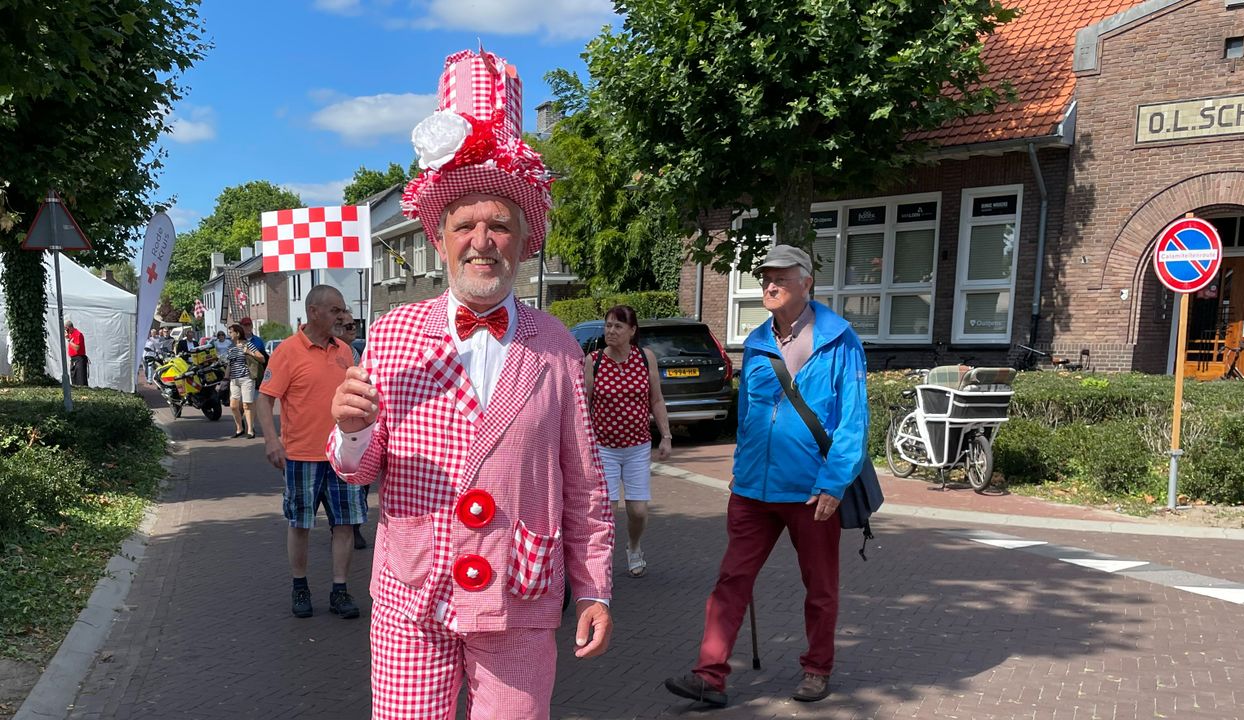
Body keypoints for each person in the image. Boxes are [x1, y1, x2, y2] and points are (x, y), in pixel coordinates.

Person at [327, 47, 613, 720]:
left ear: (523, 240)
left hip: (519, 592)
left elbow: (584, 482)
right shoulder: (394, 333)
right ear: (441, 238)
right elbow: (358, 470)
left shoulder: (556, 345)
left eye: (499, 225)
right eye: (465, 225)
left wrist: (595, 587)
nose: (482, 239)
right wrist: (350, 431)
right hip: (412, 595)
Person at [664, 244, 868, 707]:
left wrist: (834, 483)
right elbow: (749, 416)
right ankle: (709, 676)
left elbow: (853, 422)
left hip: (812, 493)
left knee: (820, 588)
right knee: (731, 580)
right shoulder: (756, 342)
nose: (770, 286)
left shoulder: (840, 340)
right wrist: (740, 470)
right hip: (753, 491)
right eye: (765, 278)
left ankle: (817, 668)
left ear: (806, 283)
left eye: (780, 277)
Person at [256, 284, 364, 621]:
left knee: (345, 524)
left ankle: (339, 590)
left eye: (343, 310)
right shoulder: (287, 351)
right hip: (302, 455)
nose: (342, 316)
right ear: (313, 312)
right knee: (300, 523)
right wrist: (271, 440)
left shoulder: (345, 351)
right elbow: (264, 399)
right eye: (335, 310)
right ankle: (300, 586)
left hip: (343, 456)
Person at [583, 304, 671, 578]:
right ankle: (603, 563)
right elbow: (584, 405)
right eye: (608, 325)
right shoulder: (594, 361)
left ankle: (634, 547)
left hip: (637, 446)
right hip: (603, 448)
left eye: (618, 326)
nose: (611, 331)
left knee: (639, 510)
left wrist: (666, 436)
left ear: (632, 331)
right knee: (607, 510)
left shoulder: (645, 358)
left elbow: (656, 399)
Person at [335, 308, 368, 550]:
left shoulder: (357, 353)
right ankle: (341, 527)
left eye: (354, 324)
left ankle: (354, 526)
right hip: (334, 424)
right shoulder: (331, 353)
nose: (352, 329)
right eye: (347, 326)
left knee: (361, 479)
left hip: (357, 425)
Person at [226, 324, 262, 439]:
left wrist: (249, 352)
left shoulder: (248, 344)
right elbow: (229, 364)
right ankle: (239, 428)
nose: (229, 335)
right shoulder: (230, 347)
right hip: (234, 380)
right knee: (233, 406)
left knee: (247, 404)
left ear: (237, 333)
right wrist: (225, 378)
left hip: (247, 378)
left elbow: (262, 358)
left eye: (231, 332)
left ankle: (250, 430)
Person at [65, 320, 88, 386]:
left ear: (70, 327)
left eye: (66, 329)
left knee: (80, 380)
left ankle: (83, 391)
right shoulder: (70, 334)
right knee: (74, 379)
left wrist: (69, 340)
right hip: (73, 359)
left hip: (79, 359)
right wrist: (68, 338)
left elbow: (77, 348)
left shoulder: (77, 334)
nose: (66, 331)